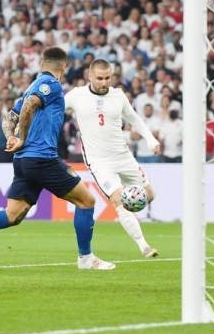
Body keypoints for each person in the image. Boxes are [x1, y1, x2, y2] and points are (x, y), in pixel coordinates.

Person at [0, 47, 115, 271]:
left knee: (13, 215)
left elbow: (9, 116)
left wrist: (11, 136)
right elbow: (30, 105)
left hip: (24, 161)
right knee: (87, 201)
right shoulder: (51, 85)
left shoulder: (33, 86)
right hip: (42, 158)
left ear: (42, 63)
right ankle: (86, 258)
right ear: (64, 67)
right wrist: (19, 139)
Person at [65, 59, 159, 258]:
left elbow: (134, 118)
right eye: (99, 78)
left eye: (108, 78)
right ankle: (144, 246)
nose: (104, 82)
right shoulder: (76, 96)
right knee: (119, 200)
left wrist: (151, 140)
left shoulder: (118, 95)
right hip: (99, 162)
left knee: (149, 195)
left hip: (123, 156)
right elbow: (54, 110)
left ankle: (126, 216)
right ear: (89, 76)